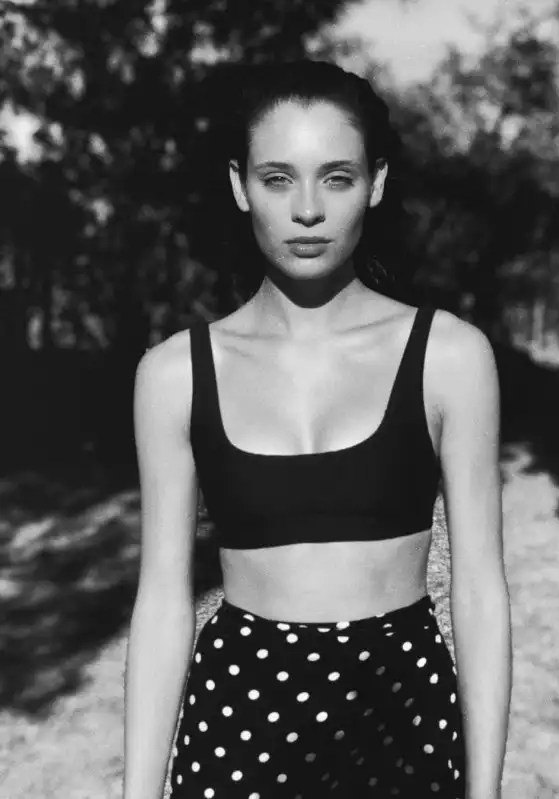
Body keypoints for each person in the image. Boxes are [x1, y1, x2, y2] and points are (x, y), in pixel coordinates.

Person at [123, 60, 512, 799]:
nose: (308, 210)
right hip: (238, 724)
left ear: (377, 182)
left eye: (336, 177)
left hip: (402, 720)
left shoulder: (450, 357)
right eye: (278, 178)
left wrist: (484, 790)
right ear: (240, 185)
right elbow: (163, 601)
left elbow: (481, 590)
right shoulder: (174, 375)